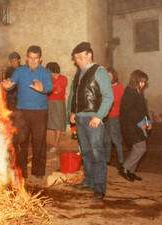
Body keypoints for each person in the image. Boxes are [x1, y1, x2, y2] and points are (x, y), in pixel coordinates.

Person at [69, 42, 113, 200]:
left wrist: (99, 116)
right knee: (86, 152)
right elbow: (74, 95)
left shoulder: (99, 71)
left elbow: (109, 97)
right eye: (75, 59)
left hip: (93, 118)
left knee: (97, 152)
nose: (78, 61)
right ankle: (89, 181)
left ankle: (99, 187)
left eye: (80, 58)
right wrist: (73, 112)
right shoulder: (78, 73)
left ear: (89, 55)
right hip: (80, 118)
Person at [2, 45, 52, 179]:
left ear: (40, 59)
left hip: (40, 113)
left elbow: (49, 87)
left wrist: (42, 89)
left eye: (36, 58)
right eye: (30, 58)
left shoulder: (45, 72)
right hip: (22, 112)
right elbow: (11, 83)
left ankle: (38, 172)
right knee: (21, 143)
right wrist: (7, 86)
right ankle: (21, 171)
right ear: (26, 58)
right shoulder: (19, 71)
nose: (33, 61)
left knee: (39, 142)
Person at [119, 69, 152, 182]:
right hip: (130, 125)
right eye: (141, 81)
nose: (143, 84)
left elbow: (143, 109)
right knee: (141, 148)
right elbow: (129, 112)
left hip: (138, 124)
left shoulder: (139, 91)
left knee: (139, 148)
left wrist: (148, 121)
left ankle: (131, 172)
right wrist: (141, 123)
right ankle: (124, 168)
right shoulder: (129, 92)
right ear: (135, 80)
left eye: (144, 82)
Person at [103, 67, 124, 168]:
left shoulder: (119, 87)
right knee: (106, 139)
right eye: (106, 75)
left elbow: (114, 102)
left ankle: (121, 161)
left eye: (109, 76)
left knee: (116, 139)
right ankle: (107, 160)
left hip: (114, 116)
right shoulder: (107, 87)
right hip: (105, 117)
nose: (107, 77)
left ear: (114, 76)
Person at [46, 62, 68, 152]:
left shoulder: (63, 78)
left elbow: (57, 90)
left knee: (58, 124)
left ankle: (56, 144)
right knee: (48, 123)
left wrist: (51, 88)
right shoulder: (49, 78)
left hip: (58, 103)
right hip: (48, 102)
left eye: (49, 71)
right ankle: (49, 143)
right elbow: (49, 90)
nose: (48, 73)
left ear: (53, 70)